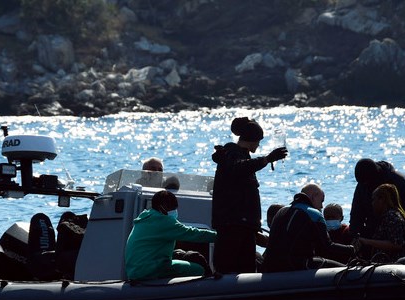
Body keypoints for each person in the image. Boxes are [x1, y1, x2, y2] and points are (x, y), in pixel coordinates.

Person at [211, 117, 288, 274]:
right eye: (258, 141)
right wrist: (267, 159)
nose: (258, 145)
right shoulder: (231, 153)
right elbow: (239, 168)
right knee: (230, 268)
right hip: (233, 225)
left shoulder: (240, 155)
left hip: (244, 226)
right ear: (252, 140)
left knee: (247, 269)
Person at [261, 184, 355, 272]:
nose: (322, 206)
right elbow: (327, 247)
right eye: (321, 201)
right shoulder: (313, 214)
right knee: (346, 270)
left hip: (269, 266)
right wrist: (351, 249)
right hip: (295, 265)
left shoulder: (281, 211)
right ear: (314, 196)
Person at [125, 190, 216, 280]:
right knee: (199, 269)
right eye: (171, 208)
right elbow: (193, 233)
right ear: (162, 207)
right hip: (149, 271)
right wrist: (220, 237)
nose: (174, 211)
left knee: (178, 253)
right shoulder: (164, 221)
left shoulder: (145, 218)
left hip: (134, 271)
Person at [349, 158, 405, 239]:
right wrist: (355, 236)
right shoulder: (362, 184)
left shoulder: (400, 181)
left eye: (367, 183)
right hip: (374, 233)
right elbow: (356, 215)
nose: (366, 186)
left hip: (399, 232)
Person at [354, 183, 405, 262]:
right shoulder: (391, 215)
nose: (372, 203)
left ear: (382, 199)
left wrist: (366, 241)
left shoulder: (392, 217)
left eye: (373, 199)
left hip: (403, 262)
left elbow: (396, 244)